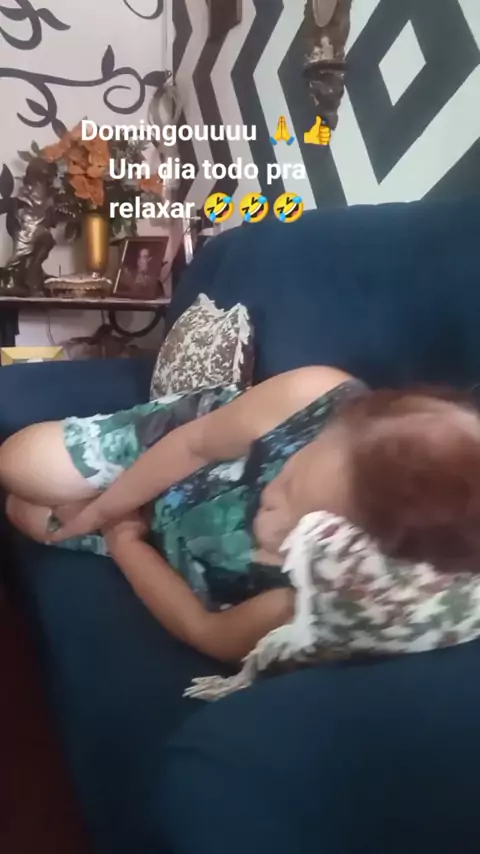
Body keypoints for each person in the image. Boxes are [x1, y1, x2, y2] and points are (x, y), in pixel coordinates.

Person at [2, 366, 480, 664]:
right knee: (19, 466)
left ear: (334, 557)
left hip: (159, 535)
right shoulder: (314, 396)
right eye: (289, 472)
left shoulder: (298, 605)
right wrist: (100, 512)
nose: (270, 491)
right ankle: (99, 479)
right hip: (188, 449)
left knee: (24, 512)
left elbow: (203, 630)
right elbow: (193, 443)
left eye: (294, 509)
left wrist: (124, 542)